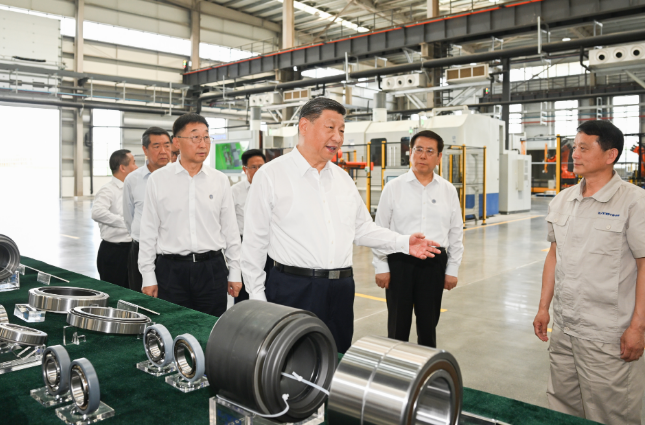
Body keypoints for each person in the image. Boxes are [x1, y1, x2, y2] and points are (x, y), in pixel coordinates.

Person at [241, 97, 442, 353]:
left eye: (342, 130)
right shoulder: (271, 175)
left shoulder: (342, 179)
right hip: (294, 288)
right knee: (292, 359)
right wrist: (258, 298)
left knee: (336, 356)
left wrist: (404, 243)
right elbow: (254, 243)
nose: (337, 137)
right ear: (304, 126)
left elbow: (362, 229)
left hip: (341, 289)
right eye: (330, 128)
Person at [533, 120, 645, 425]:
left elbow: (643, 264)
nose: (574, 154)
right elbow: (554, 256)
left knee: (612, 414)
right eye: (575, 147)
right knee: (562, 408)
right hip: (565, 328)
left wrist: (638, 326)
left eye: (584, 148)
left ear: (610, 155)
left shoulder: (634, 202)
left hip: (608, 335)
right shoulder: (563, 200)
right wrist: (543, 308)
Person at [138, 113, 242, 316]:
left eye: (206, 137)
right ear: (176, 142)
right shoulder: (158, 180)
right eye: (195, 137)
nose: (203, 144)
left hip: (212, 269)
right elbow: (148, 230)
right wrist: (148, 275)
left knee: (210, 326)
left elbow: (230, 229)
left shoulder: (219, 180)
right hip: (171, 270)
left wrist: (235, 271)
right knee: (171, 326)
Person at [372, 130, 463, 348]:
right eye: (418, 149)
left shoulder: (448, 190)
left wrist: (452, 269)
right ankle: (396, 366)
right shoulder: (393, 188)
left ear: (439, 157)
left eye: (430, 151)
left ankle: (426, 367)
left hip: (434, 263)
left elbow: (455, 233)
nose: (423, 155)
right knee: (398, 325)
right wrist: (381, 266)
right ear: (410, 153)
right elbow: (380, 230)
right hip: (400, 262)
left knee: (428, 325)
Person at [123, 127, 172, 292]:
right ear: (145, 149)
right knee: (142, 298)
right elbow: (129, 216)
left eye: (167, 145)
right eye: (157, 146)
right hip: (141, 249)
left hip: (171, 253)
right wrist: (140, 235)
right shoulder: (133, 179)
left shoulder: (181, 177)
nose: (163, 151)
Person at [231, 149, 273, 303]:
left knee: (268, 286)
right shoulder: (235, 192)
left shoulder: (271, 189)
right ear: (244, 169)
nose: (258, 171)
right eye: (253, 167)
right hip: (244, 244)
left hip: (269, 244)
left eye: (261, 167)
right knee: (245, 290)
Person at [92, 149, 137, 287]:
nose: (136, 167)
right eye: (133, 163)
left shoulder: (132, 188)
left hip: (133, 249)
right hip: (115, 252)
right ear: (123, 168)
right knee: (115, 291)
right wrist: (127, 222)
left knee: (133, 290)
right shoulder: (108, 190)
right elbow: (97, 212)